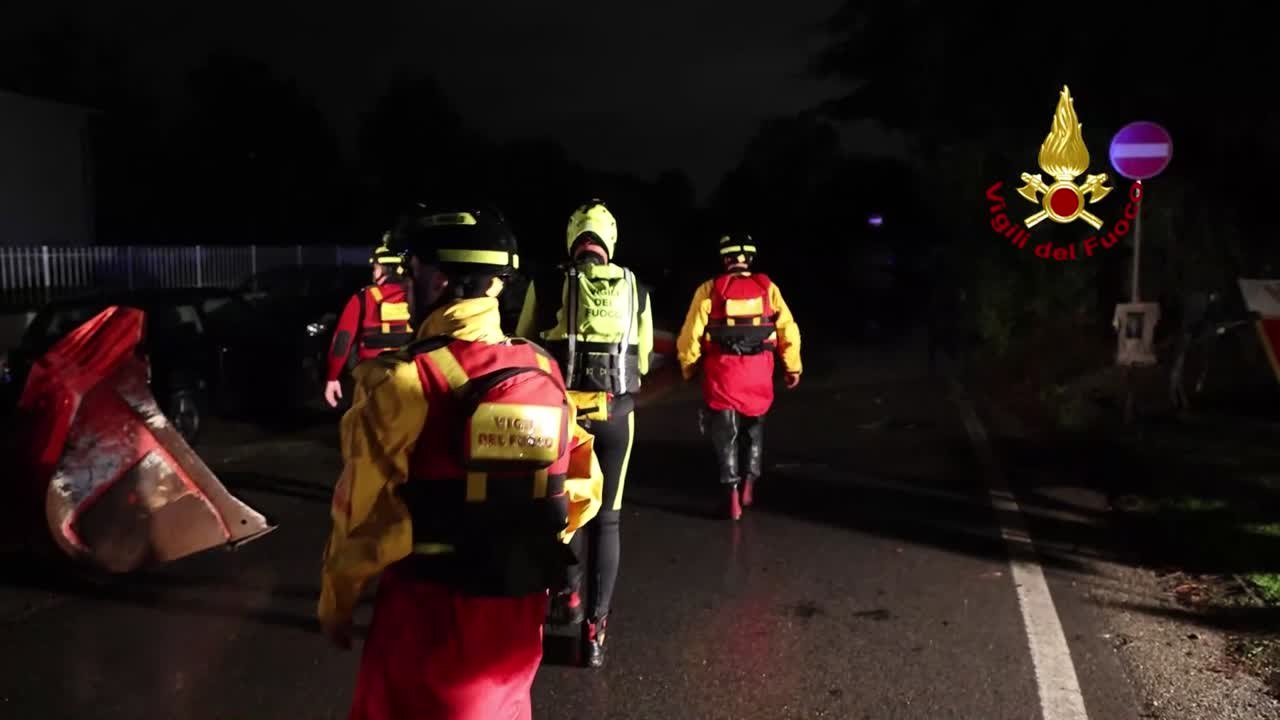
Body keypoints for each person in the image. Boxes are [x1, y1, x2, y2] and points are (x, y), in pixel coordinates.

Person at [318, 205, 604, 720]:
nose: (404, 284)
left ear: (441, 279)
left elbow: (360, 511)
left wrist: (337, 600)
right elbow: (582, 486)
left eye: (413, 271)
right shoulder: (542, 369)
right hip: (518, 617)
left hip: (430, 613)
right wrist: (521, 537)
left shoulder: (403, 381)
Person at [515, 198, 653, 668]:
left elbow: (525, 345)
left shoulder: (548, 280)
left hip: (560, 418)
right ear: (609, 242)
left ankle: (566, 597)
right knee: (606, 520)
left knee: (562, 509)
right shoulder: (637, 288)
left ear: (573, 240)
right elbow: (646, 359)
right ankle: (594, 632)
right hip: (616, 416)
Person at [676, 233, 802, 520]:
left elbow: (689, 335)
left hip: (723, 372)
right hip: (759, 371)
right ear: (750, 259)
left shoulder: (709, 289)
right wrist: (792, 366)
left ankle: (730, 492)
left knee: (725, 434)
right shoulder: (768, 289)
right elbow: (788, 329)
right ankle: (749, 481)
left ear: (725, 260)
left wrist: (688, 366)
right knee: (754, 429)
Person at [323, 237, 414, 408]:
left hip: (371, 378)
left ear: (385, 269)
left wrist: (332, 377)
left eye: (375, 268)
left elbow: (342, 340)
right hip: (410, 378)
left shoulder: (363, 298)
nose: (373, 273)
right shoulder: (416, 297)